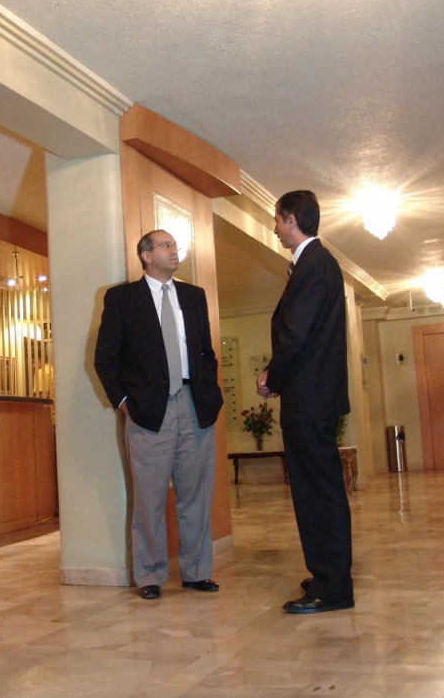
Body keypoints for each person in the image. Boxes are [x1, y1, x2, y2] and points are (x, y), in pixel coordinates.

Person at [95, 230, 224, 600]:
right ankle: (150, 574)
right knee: (149, 497)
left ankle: (197, 572)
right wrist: (124, 402)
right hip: (148, 411)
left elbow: (206, 353)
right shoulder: (121, 298)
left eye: (175, 245)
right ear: (146, 255)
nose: (174, 250)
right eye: (166, 245)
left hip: (194, 405)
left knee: (196, 495)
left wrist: (209, 391)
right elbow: (106, 358)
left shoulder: (194, 296)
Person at [256, 190, 353, 614]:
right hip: (314, 397)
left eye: (277, 220)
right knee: (318, 492)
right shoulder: (317, 263)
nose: (275, 228)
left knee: (318, 495)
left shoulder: (313, 264)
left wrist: (272, 377)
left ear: (291, 219)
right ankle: (327, 575)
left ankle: (332, 587)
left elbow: (296, 333)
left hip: (310, 399)